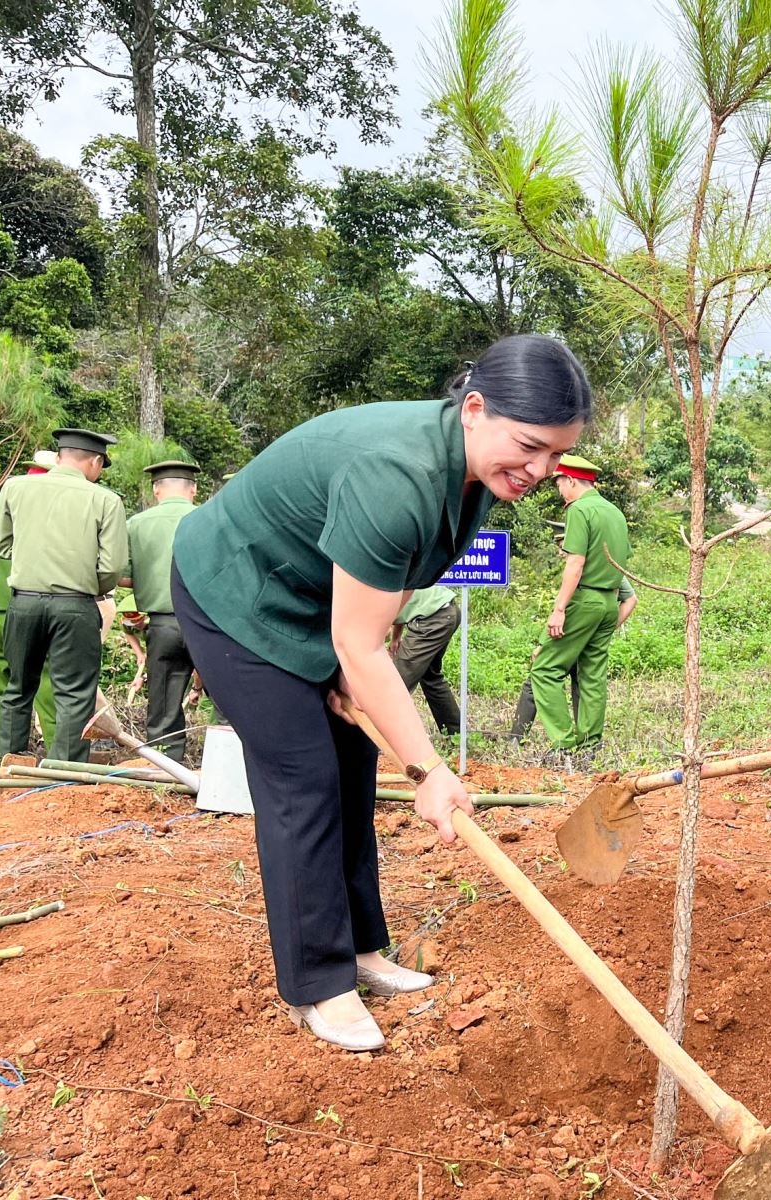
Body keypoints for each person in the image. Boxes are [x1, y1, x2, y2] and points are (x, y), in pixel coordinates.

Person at [172, 333, 591, 1053]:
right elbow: (358, 645)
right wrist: (428, 769)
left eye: (557, 454)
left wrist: (353, 679)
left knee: (353, 769)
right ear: (475, 408)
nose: (541, 469)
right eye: (529, 445)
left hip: (312, 603)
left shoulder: (470, 479)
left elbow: (376, 614)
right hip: (235, 594)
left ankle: (361, 949)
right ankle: (319, 984)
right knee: (304, 780)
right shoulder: (396, 475)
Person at [0, 429, 128, 762]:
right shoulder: (105, 500)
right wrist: (88, 585)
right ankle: (66, 773)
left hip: (24, 602)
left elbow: (2, 543)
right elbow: (112, 566)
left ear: (59, 457)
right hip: (76, 606)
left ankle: (7, 764)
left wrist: (33, 562)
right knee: (74, 694)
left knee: (18, 688)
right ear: (96, 462)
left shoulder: (15, 487)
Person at [518, 454, 631, 755]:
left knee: (544, 669)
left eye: (558, 484)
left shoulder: (579, 509)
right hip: (609, 601)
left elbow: (576, 563)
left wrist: (559, 609)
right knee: (592, 675)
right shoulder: (614, 513)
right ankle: (591, 745)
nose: (559, 491)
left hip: (584, 599)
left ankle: (565, 744)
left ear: (569, 480)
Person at [123, 460, 201, 759]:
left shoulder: (136, 523)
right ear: (193, 489)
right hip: (206, 623)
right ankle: (227, 766)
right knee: (225, 701)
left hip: (163, 624)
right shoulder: (208, 518)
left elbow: (121, 576)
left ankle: (166, 768)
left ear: (156, 490)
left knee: (163, 701)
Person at [0, 451, 61, 750]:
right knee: (48, 683)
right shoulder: (56, 511)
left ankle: (7, 757)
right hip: (33, 604)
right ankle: (58, 756)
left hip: (10, 609)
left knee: (9, 689)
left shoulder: (10, 501)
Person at [391, 585, 462, 733]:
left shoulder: (367, 583)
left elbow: (376, 629)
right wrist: (395, 638)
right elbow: (399, 608)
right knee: (430, 676)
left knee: (394, 683)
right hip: (448, 610)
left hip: (433, 618)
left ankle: (376, 740)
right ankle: (455, 734)